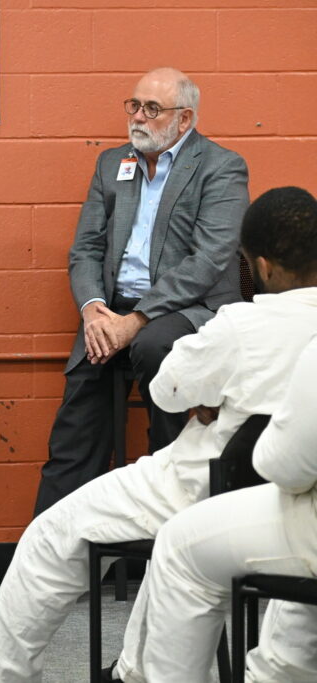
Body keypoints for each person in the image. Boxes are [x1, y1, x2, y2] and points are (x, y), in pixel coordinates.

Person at [0, 186, 317, 683]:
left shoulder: (241, 323)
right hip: (285, 504)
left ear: (263, 267)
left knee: (52, 536)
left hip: (204, 481)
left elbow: (168, 390)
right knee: (179, 554)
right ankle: (133, 672)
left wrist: (208, 391)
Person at [33, 67, 250, 515]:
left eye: (153, 109)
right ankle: (49, 558)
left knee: (153, 345)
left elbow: (208, 262)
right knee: (75, 426)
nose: (138, 118)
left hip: (190, 309)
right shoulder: (112, 163)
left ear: (184, 119)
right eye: (134, 106)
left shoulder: (220, 166)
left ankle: (170, 492)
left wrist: (137, 320)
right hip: (111, 313)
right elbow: (86, 248)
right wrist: (94, 311)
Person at [141, 188, 317, 682]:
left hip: (298, 511)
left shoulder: (253, 325)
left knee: (177, 545)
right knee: (290, 627)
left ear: (261, 266)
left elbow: (285, 465)